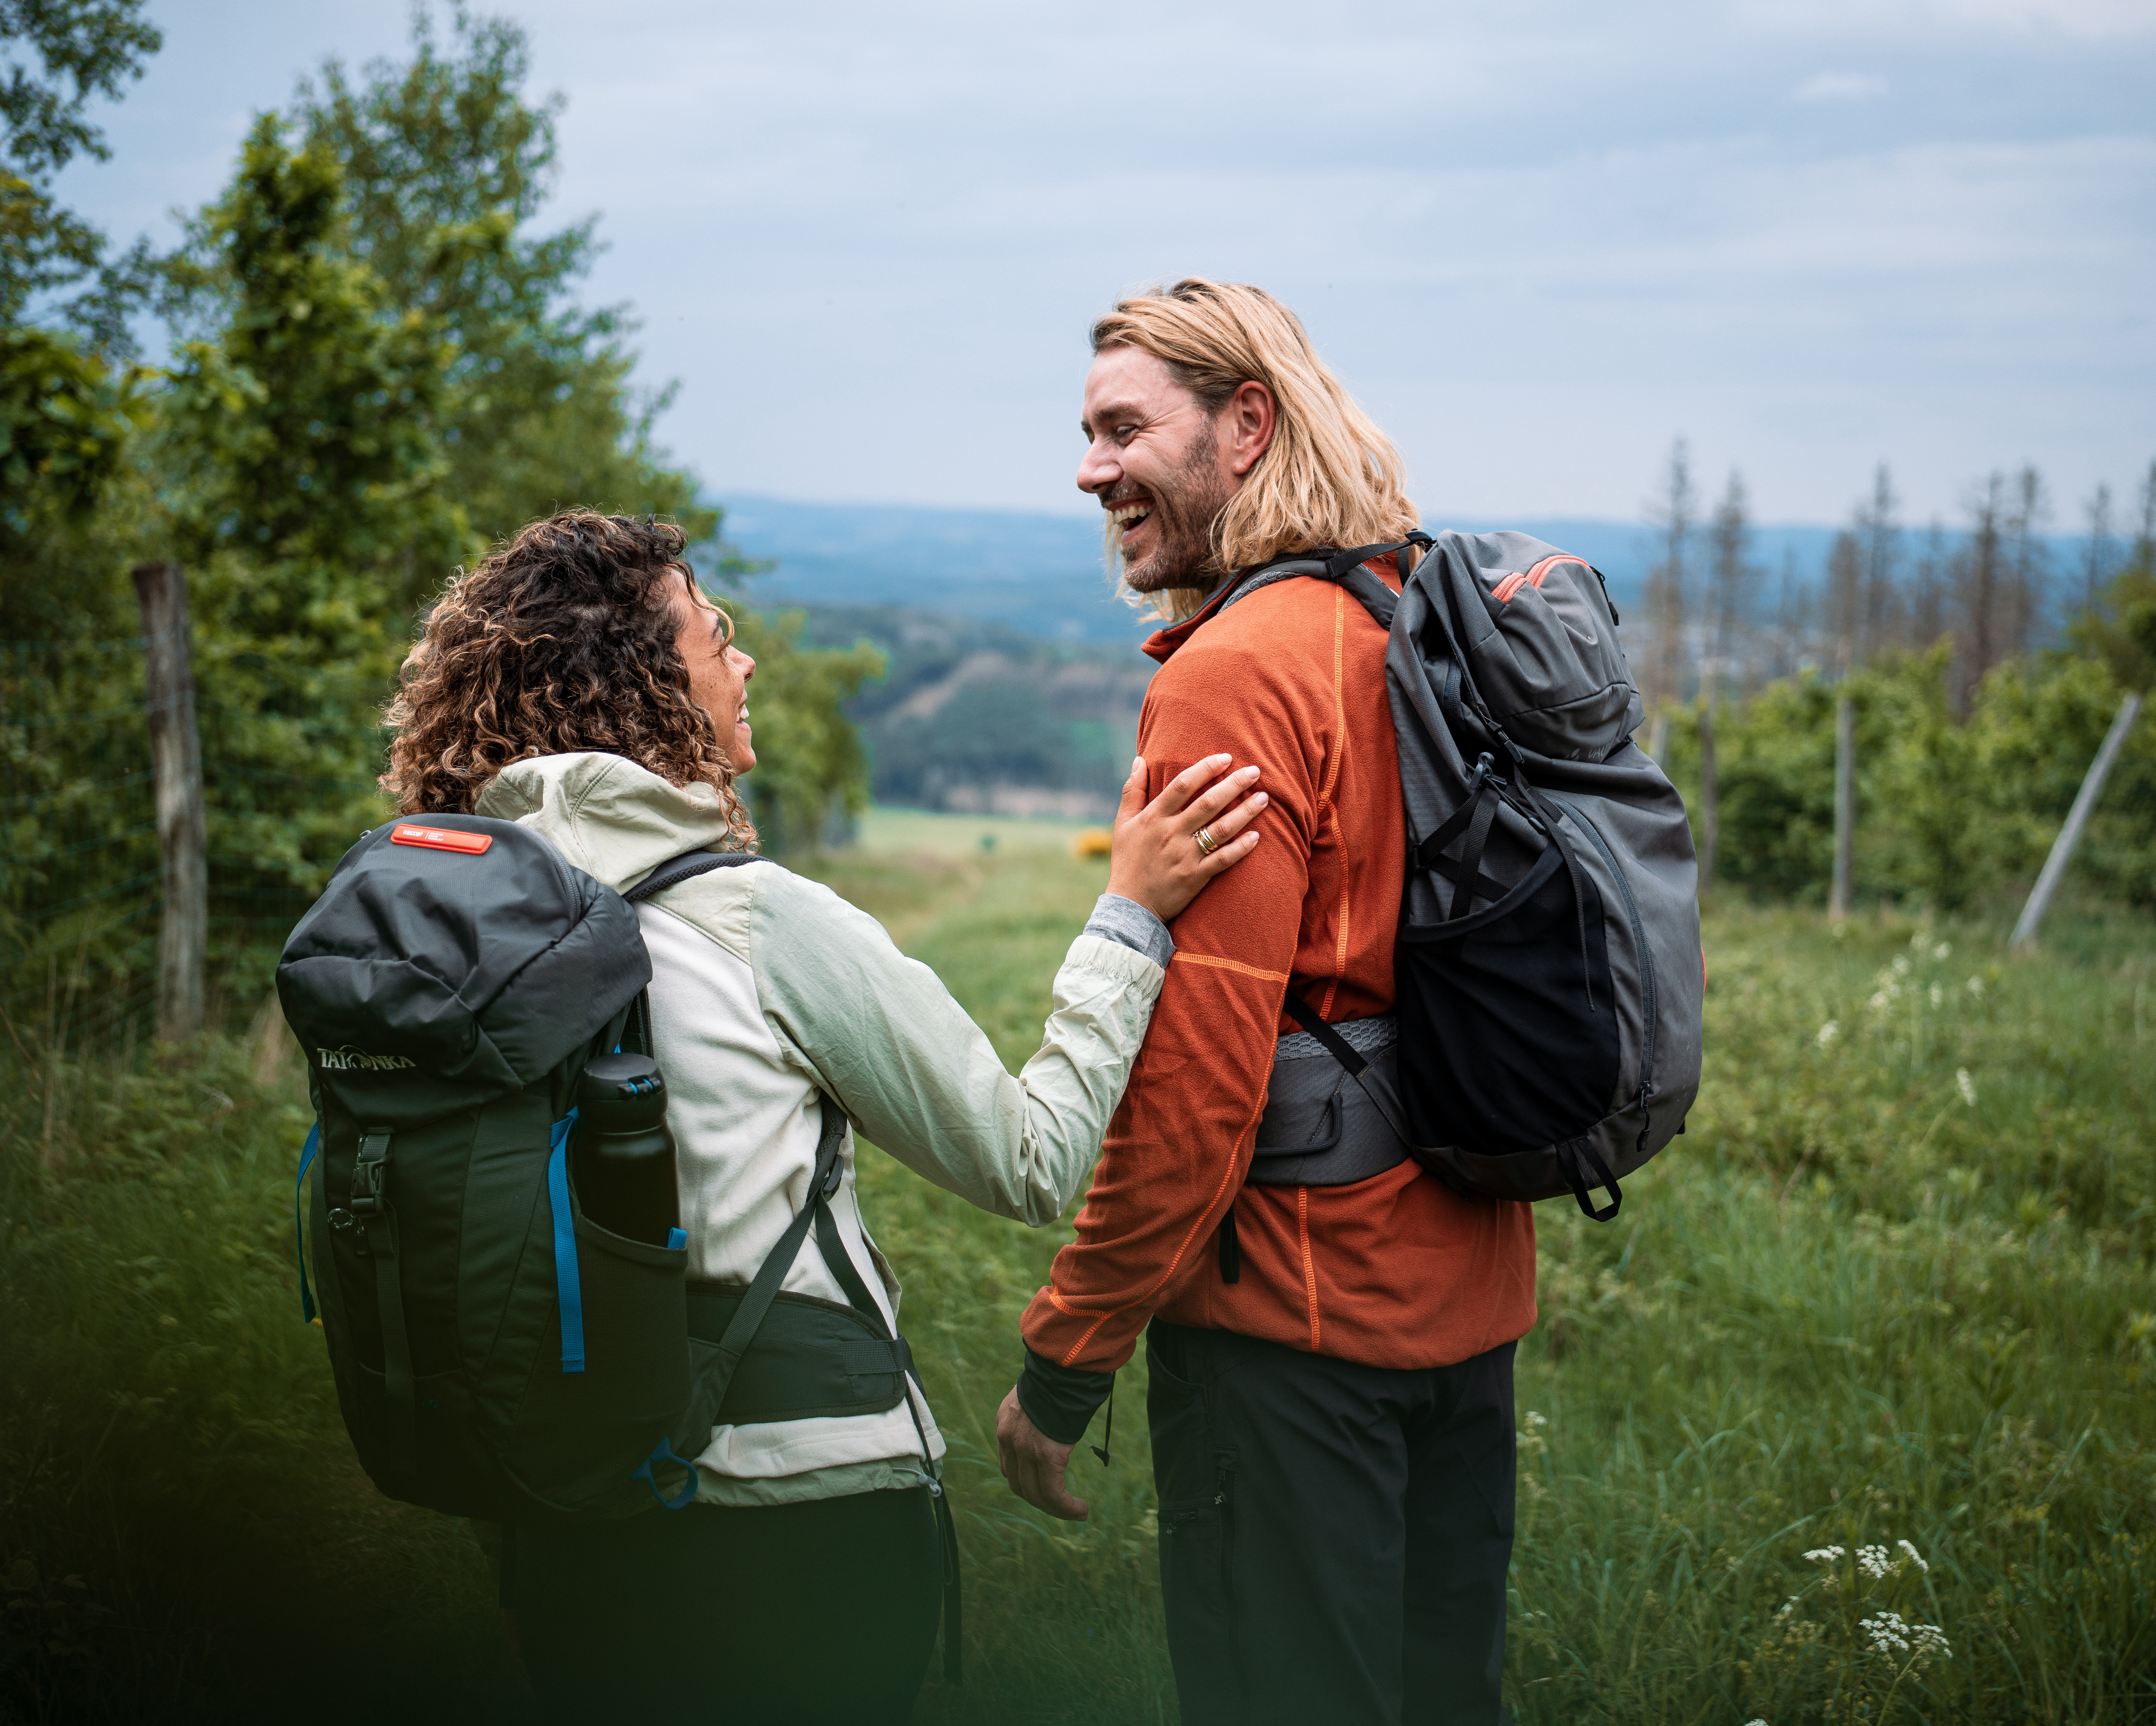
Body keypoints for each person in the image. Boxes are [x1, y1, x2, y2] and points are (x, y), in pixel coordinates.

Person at [378, 510, 1264, 1723]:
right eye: (714, 632)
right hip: (806, 1526)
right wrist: (1129, 912)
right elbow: (1028, 1156)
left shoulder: (460, 917)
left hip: (559, 1510)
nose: (743, 661)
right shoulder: (751, 917)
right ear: (638, 684)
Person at [993, 280, 1539, 1724]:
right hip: (1471, 1311)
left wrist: (1064, 1359)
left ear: (1248, 424)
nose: (1091, 468)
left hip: (1294, 1339)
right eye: (1087, 431)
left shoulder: (1234, 675)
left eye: (1124, 428)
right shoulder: (1429, 618)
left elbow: (1194, 1101)